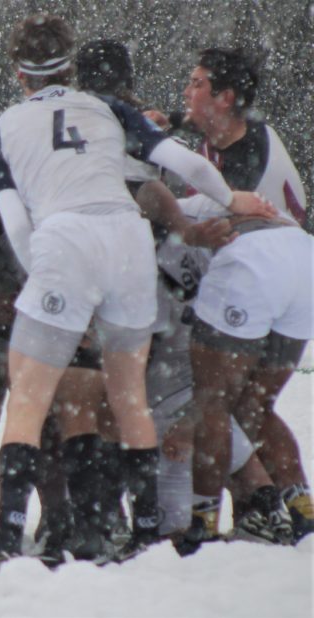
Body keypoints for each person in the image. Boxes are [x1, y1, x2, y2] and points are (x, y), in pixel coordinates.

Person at [0, 14, 273, 571]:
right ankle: (148, 531)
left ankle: (8, 537)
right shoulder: (108, 107)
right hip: (127, 239)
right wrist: (233, 200)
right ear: (71, 64)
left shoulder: (4, 123)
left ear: (19, 74)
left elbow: (13, 216)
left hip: (65, 238)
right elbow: (180, 162)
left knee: (29, 401)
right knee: (129, 396)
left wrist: (44, 270)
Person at [160, 48, 313, 546]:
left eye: (197, 82)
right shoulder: (241, 139)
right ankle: (302, 506)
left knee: (212, 402)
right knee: (254, 406)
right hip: (300, 265)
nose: (187, 90)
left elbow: (214, 211)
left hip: (257, 261)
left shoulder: (241, 148)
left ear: (225, 98)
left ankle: (201, 523)